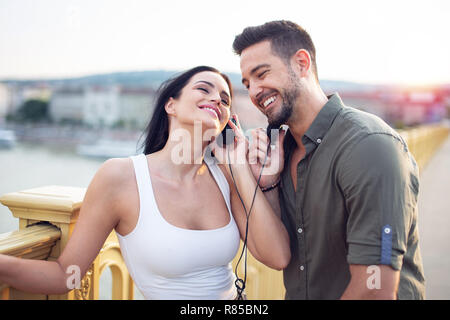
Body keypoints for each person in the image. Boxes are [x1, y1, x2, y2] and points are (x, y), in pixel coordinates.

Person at [0, 66, 290, 300]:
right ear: (171, 105)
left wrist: (240, 167)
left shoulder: (226, 175)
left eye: (225, 100)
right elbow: (66, 275)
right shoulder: (120, 177)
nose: (217, 99)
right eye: (204, 89)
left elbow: (276, 256)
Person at [233, 21, 425, 299]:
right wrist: (269, 184)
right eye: (247, 84)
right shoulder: (281, 153)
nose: (254, 92)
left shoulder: (368, 145)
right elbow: (280, 255)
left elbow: (375, 289)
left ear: (301, 63)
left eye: (262, 74)